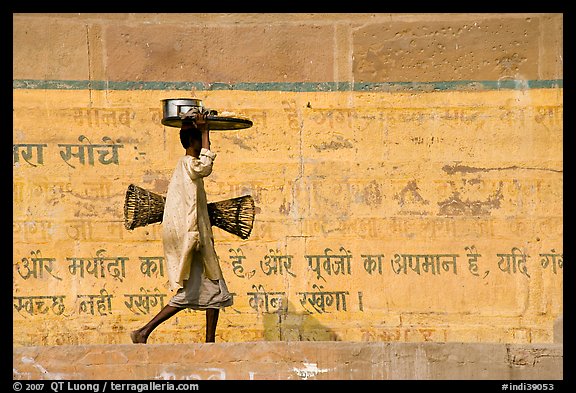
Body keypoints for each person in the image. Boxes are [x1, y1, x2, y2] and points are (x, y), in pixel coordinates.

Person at [131, 114, 233, 344]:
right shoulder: (188, 164)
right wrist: (206, 131)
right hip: (194, 240)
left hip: (197, 237)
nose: (205, 146)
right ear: (194, 143)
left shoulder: (183, 168)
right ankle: (144, 332)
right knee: (202, 290)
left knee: (214, 291)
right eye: (202, 142)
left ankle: (209, 342)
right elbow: (205, 167)